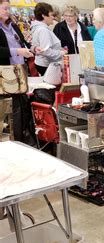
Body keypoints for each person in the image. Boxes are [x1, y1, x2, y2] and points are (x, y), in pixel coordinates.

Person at [0, 0, 41, 145]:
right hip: (5, 75)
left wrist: (33, 49)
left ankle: (22, 138)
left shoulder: (13, 26)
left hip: (20, 71)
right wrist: (17, 51)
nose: (8, 11)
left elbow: (23, 43)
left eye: (8, 8)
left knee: (21, 107)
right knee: (11, 109)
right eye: (5, 8)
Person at [30, 2, 66, 75]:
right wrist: (62, 53)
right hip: (47, 65)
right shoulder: (43, 30)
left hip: (44, 64)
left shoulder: (40, 28)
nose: (53, 17)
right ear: (43, 16)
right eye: (51, 15)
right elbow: (46, 51)